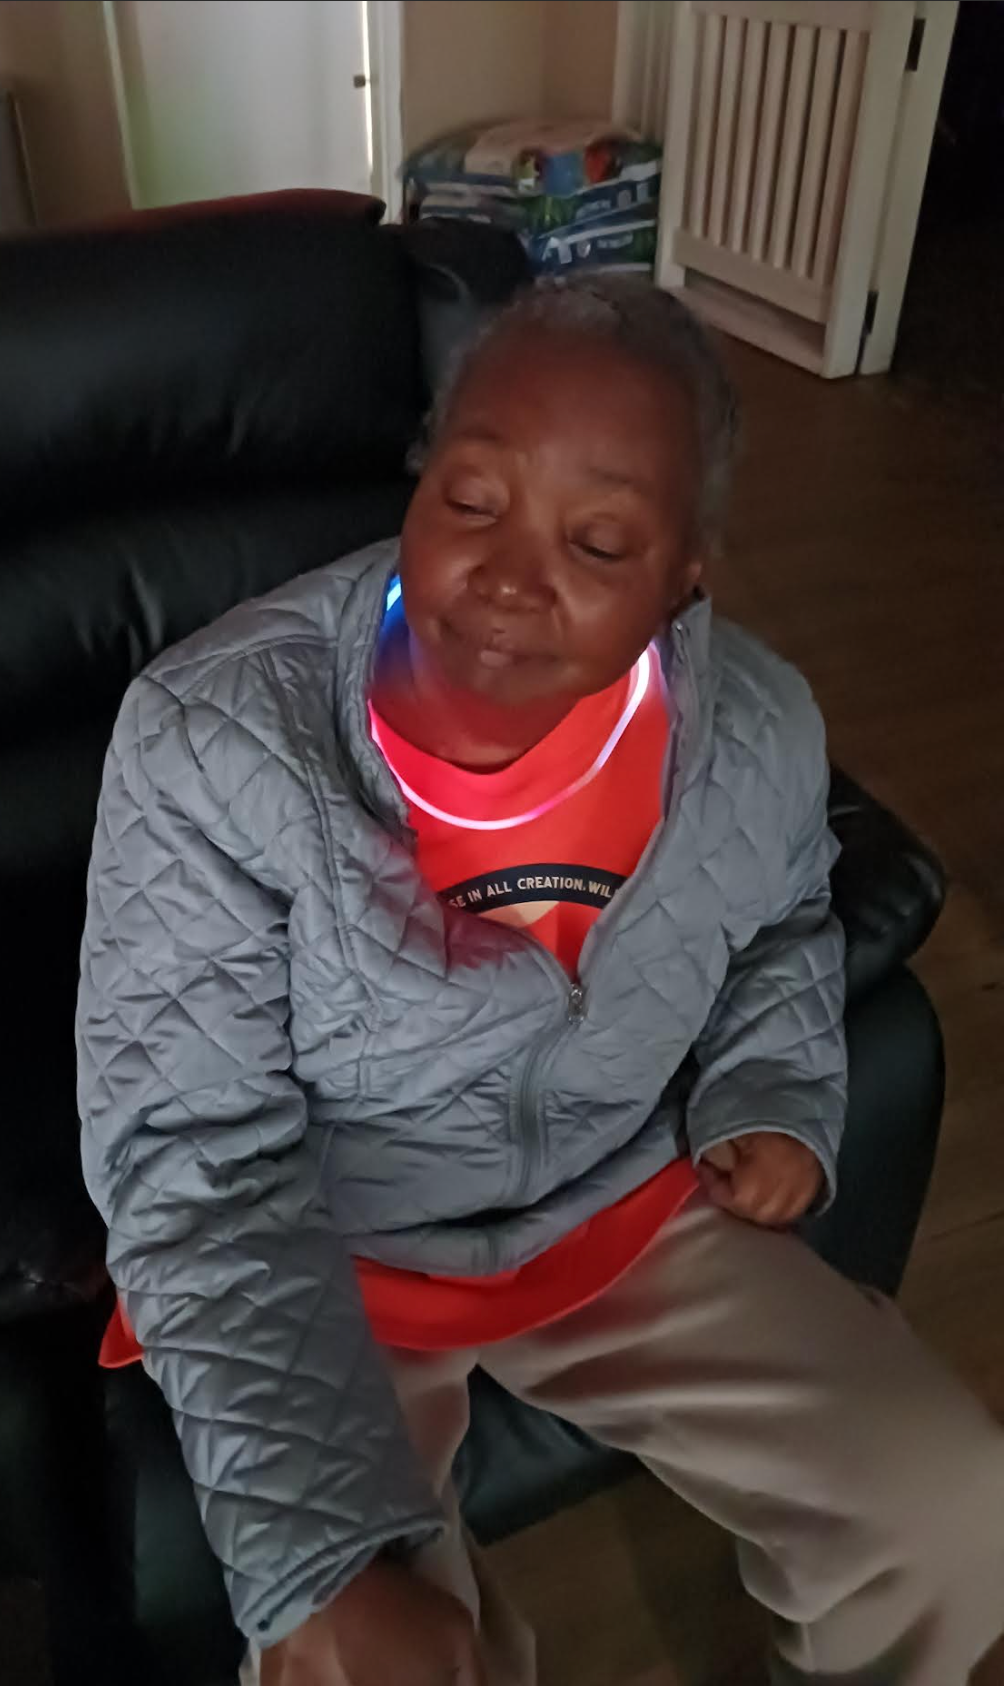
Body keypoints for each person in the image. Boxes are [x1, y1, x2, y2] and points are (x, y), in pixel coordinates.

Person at [76, 277, 1004, 1686]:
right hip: (339, 1247)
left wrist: (768, 1083)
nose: (511, 575)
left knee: (956, 1507)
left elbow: (782, 923)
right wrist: (325, 1558)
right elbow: (191, 1165)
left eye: (599, 538)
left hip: (620, 1198)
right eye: (471, 498)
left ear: (687, 568)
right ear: (422, 473)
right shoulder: (213, 743)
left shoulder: (752, 726)